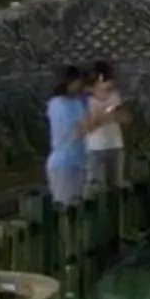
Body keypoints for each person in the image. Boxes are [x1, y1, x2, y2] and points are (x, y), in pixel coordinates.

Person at [44, 66, 91, 208]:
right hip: (64, 164)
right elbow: (77, 129)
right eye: (76, 82)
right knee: (66, 208)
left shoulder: (77, 102)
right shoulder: (57, 104)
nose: (79, 85)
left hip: (81, 161)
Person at [83, 61, 128, 196]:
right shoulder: (87, 101)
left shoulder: (115, 97)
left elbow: (125, 118)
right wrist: (102, 118)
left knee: (117, 185)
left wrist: (117, 115)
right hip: (96, 149)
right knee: (97, 188)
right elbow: (86, 128)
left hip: (115, 145)